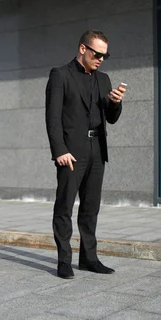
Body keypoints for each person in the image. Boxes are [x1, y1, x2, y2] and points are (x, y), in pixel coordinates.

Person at [45, 30, 125, 279]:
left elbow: (110, 119)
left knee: (91, 208)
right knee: (65, 207)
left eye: (105, 55)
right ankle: (64, 261)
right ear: (82, 49)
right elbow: (53, 117)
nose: (101, 59)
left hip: (97, 151)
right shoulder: (60, 75)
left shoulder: (104, 80)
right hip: (71, 153)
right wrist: (60, 151)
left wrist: (115, 103)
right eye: (97, 53)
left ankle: (89, 258)